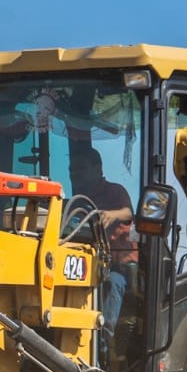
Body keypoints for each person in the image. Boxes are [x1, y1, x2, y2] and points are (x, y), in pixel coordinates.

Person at [69, 147, 137, 349]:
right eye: (72, 169)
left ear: (98, 169)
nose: (74, 174)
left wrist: (112, 215)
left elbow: (127, 212)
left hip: (118, 267)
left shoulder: (115, 191)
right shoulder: (75, 202)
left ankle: (101, 344)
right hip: (87, 267)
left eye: (80, 168)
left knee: (112, 283)